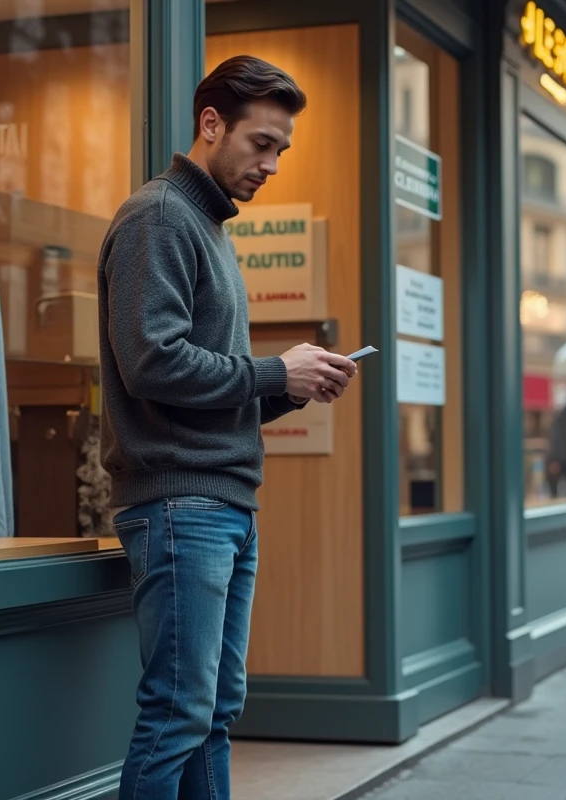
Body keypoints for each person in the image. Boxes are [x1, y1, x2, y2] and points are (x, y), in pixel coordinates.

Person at [97, 56, 359, 800]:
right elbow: (152, 363)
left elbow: (206, 386)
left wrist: (294, 387)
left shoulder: (207, 227)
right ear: (210, 124)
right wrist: (274, 373)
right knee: (179, 713)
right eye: (262, 143)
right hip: (182, 506)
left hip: (221, 505)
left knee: (212, 713)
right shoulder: (158, 217)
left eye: (282, 149)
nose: (273, 163)